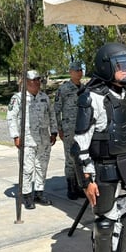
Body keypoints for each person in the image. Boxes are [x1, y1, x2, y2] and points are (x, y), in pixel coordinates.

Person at [71, 42, 126, 252]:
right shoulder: (91, 97)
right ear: (106, 67)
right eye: (120, 65)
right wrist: (87, 179)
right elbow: (80, 144)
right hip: (103, 170)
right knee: (105, 222)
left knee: (125, 218)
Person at [6, 70, 58, 209]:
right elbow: (11, 118)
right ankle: (27, 196)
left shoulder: (44, 97)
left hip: (44, 139)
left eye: (37, 80)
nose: (35, 83)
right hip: (27, 140)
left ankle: (39, 193)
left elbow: (52, 115)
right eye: (32, 80)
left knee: (42, 167)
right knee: (27, 169)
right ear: (26, 82)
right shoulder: (18, 98)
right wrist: (16, 136)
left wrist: (53, 131)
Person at [54, 61, 85, 200]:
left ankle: (80, 186)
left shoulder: (84, 89)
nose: (79, 72)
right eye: (76, 70)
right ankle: (71, 187)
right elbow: (56, 110)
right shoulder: (64, 89)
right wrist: (59, 128)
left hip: (83, 129)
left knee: (82, 157)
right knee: (70, 158)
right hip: (69, 129)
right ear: (70, 72)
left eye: (81, 70)